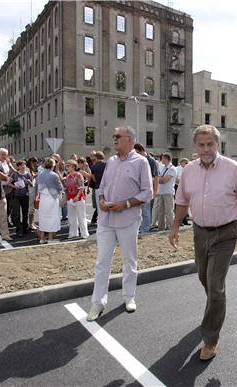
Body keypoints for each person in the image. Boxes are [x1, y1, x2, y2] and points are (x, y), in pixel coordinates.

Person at [169, 125, 237, 361]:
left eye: (210, 144)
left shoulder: (233, 169)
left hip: (226, 233)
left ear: (218, 145)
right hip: (200, 232)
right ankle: (215, 309)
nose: (206, 149)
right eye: (201, 144)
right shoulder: (188, 170)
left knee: (216, 285)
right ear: (195, 146)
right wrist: (176, 226)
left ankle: (210, 338)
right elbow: (182, 201)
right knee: (204, 277)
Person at [87, 126, 152, 321]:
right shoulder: (112, 161)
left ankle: (129, 297)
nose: (114, 139)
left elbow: (147, 192)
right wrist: (101, 201)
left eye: (118, 136)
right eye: (114, 136)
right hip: (106, 220)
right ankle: (97, 303)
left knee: (129, 261)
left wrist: (126, 204)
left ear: (130, 140)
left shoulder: (141, 162)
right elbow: (103, 186)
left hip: (128, 219)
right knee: (101, 262)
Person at [37, 157, 64, 243]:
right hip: (52, 198)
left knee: (43, 217)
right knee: (53, 217)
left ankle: (42, 238)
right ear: (53, 165)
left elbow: (39, 187)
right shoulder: (54, 175)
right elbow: (60, 187)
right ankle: (50, 238)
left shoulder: (40, 174)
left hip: (43, 198)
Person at [133, 143, 159, 234]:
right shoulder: (138, 160)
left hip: (147, 190)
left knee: (146, 211)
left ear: (140, 151)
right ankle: (141, 227)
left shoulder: (150, 160)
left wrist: (155, 191)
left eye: (136, 152)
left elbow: (156, 176)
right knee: (139, 210)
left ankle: (145, 229)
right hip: (138, 190)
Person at [65, 159, 89, 239]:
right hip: (70, 199)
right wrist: (66, 198)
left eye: (68, 165)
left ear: (73, 166)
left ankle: (84, 233)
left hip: (79, 199)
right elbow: (67, 188)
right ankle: (73, 233)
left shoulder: (78, 175)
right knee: (71, 217)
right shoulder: (68, 176)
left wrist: (77, 196)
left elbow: (81, 187)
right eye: (67, 165)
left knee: (81, 216)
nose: (66, 167)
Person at [10, 160, 33, 237]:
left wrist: (30, 182)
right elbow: (8, 183)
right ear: (18, 167)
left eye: (24, 165)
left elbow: (32, 184)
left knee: (25, 213)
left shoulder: (28, 174)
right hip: (16, 196)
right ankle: (18, 229)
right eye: (21, 165)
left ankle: (25, 228)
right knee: (16, 213)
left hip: (25, 196)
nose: (23, 167)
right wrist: (15, 186)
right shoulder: (14, 174)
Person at [154, 153, 177, 231]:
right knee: (160, 212)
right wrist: (160, 179)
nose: (161, 160)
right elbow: (159, 178)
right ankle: (161, 228)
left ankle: (170, 228)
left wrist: (159, 179)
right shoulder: (163, 168)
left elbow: (164, 180)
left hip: (168, 192)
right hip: (161, 192)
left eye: (163, 158)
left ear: (167, 159)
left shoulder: (172, 168)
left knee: (169, 212)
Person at [89, 151, 106, 225]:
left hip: (98, 187)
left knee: (99, 207)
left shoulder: (93, 166)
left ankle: (100, 223)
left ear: (96, 157)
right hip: (106, 187)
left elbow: (94, 179)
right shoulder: (107, 164)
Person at [175, 158, 191, 226]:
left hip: (186, 187)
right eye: (186, 163)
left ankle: (185, 220)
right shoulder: (177, 169)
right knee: (178, 204)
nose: (187, 164)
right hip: (178, 187)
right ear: (182, 163)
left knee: (185, 204)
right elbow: (176, 179)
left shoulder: (188, 169)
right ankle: (178, 221)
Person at [26, 156, 39, 230]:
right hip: (30, 190)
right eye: (34, 163)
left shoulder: (30, 170)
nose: (35, 165)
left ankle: (31, 222)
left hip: (32, 190)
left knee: (32, 207)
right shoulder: (28, 169)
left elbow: (32, 176)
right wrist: (36, 175)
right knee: (31, 207)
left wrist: (36, 174)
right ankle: (30, 224)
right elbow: (29, 178)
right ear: (31, 162)